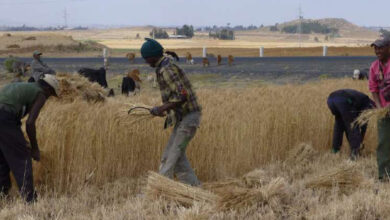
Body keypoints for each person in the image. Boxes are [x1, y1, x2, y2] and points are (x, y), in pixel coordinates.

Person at [141, 38, 202, 186]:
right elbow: (178, 96)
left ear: (153, 56)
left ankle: (159, 191)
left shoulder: (166, 69)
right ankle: (196, 190)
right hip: (183, 119)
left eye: (146, 58)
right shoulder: (165, 66)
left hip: (188, 121)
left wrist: (161, 108)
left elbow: (182, 96)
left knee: (170, 161)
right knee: (173, 157)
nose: (146, 62)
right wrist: (165, 109)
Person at [0, 74, 59, 202]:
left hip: (5, 118)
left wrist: (19, 139)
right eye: (51, 94)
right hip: (4, 118)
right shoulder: (41, 94)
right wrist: (34, 148)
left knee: (3, 158)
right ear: (48, 89)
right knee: (22, 158)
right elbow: (30, 123)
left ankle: (2, 194)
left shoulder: (25, 86)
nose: (48, 98)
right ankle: (29, 199)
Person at [327, 89, 375, 160]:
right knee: (353, 126)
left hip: (330, 100)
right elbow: (363, 125)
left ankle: (335, 150)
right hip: (343, 101)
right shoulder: (369, 104)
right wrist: (360, 141)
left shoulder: (364, 99)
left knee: (339, 125)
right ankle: (355, 153)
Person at [368, 37, 390, 181]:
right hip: (384, 112)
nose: (377, 51)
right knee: (383, 142)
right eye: (375, 48)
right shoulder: (374, 67)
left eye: (380, 48)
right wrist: (379, 107)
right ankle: (384, 175)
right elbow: (374, 89)